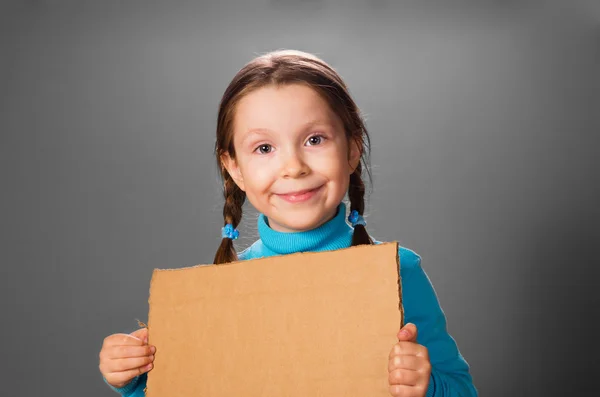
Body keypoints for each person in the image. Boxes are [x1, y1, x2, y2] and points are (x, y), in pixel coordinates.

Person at [98, 50, 477, 397]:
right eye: (264, 148)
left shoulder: (398, 272)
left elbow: (461, 390)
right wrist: (134, 379)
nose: (293, 167)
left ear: (352, 147)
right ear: (234, 168)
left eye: (314, 139)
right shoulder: (223, 293)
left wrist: (425, 386)